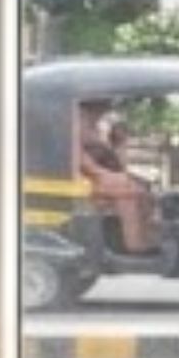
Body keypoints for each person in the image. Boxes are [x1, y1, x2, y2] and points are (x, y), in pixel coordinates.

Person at [74, 97, 157, 257]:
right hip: (81, 178)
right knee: (129, 193)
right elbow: (79, 157)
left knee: (144, 190)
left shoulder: (98, 123)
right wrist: (103, 174)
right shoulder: (76, 118)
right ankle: (134, 247)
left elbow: (109, 156)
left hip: (97, 175)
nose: (110, 105)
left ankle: (146, 241)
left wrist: (117, 148)